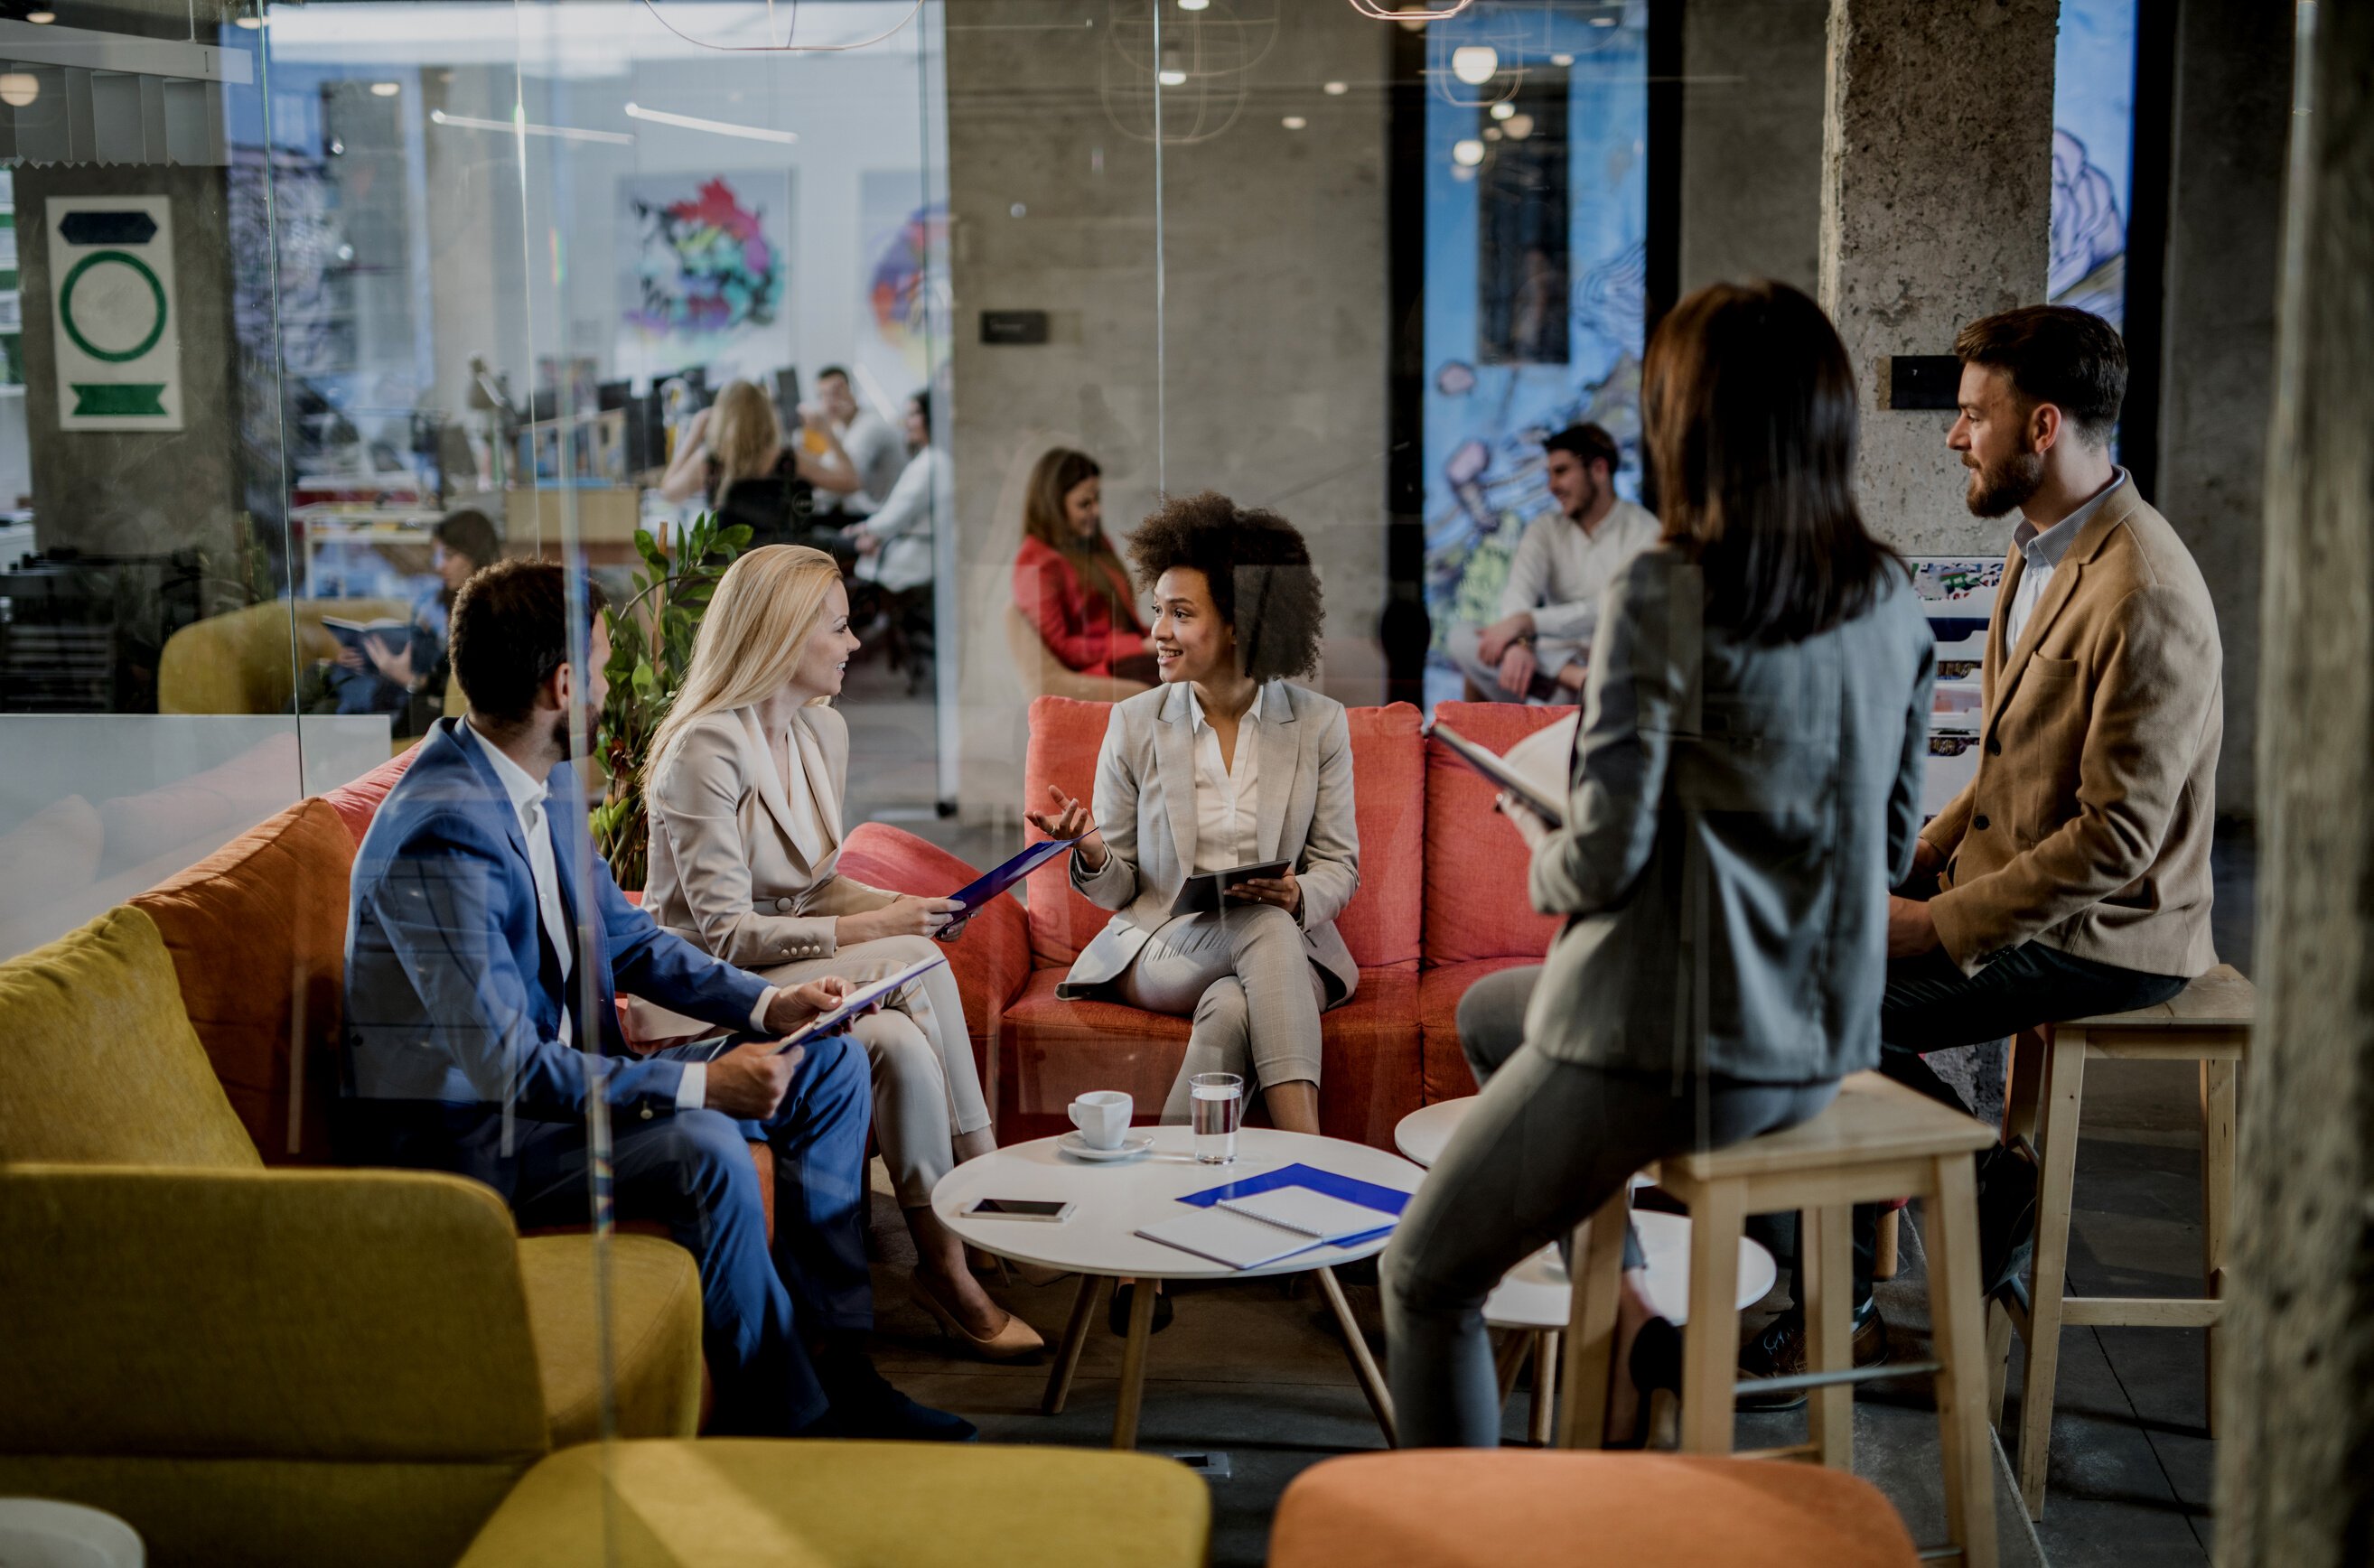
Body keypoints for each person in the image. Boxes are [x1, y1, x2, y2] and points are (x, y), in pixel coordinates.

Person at [1380, 280, 1935, 1449]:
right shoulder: (1892, 603)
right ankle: (1627, 1306)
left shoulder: (1668, 591)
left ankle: (1455, 1535)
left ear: (1691, 428)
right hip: (1821, 1042)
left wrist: (1542, 843)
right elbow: (1884, 854)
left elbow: (1602, 863)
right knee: (1493, 1014)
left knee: (1425, 1276)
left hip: (1671, 1046)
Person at [338, 558, 973, 1442]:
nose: (609, 682)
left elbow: (630, 942)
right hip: (484, 1139)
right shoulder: (442, 830)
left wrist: (765, 1007)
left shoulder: (537, 783)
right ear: (563, 684)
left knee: (825, 1060)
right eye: (598, 665)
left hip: (567, 1092)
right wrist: (705, 1087)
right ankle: (792, 1416)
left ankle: (840, 1367)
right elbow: (504, 1065)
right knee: (707, 1140)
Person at [1739, 303, 2223, 1398]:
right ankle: (1980, 1173)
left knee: (1815, 1015)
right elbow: (2009, 762)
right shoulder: (2040, 549)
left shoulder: (2145, 591)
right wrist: (1914, 857)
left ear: (2042, 425)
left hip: (2117, 934)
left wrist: (1933, 922)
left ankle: (1847, 1299)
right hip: (2028, 891)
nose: (1955, 436)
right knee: (1784, 960)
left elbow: (2116, 841)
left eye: (1973, 415)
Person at [637, 544, 1039, 1361]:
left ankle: (945, 1268)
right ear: (784, 636)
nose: (856, 645)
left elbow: (813, 888)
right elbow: (724, 934)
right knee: (911, 965)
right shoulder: (702, 752)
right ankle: (988, 1179)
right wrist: (881, 933)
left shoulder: (823, 732)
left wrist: (902, 910)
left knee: (895, 1039)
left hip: (789, 968)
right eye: (841, 627)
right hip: (706, 998)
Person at [1028, 492, 1357, 1136]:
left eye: (1181, 614)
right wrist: (1091, 849)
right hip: (1161, 945)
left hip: (1288, 947)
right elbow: (1123, 886)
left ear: (1239, 623)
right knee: (1263, 928)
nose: (1158, 631)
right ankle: (1312, 1158)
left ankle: (1168, 1191)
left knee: (1235, 1002)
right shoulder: (1135, 723)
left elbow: (1340, 866)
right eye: (1158, 611)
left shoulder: (1319, 724)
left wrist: (1295, 895)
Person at [1447, 423, 1660, 703]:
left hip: (1612, 667)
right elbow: (1518, 593)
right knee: (1461, 637)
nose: (1551, 487)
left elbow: (1614, 609)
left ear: (1598, 469)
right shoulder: (1544, 529)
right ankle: (1569, 676)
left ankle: (1564, 684)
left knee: (1561, 696)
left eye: (1561, 471)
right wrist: (1519, 642)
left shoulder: (1646, 532)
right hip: (1546, 663)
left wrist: (1529, 622)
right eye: (1548, 474)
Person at [323, 507, 500, 734]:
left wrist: (406, 677)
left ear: (475, 555)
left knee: (326, 707)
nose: (439, 566)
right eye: (437, 555)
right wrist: (363, 655)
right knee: (321, 680)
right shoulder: (440, 601)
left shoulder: (488, 615)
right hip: (403, 692)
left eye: (448, 555)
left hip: (426, 711)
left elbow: (453, 694)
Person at [658, 378, 858, 555]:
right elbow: (850, 482)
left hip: (731, 572)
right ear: (765, 413)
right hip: (781, 567)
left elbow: (669, 493)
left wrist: (693, 435)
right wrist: (826, 431)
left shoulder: (711, 462)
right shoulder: (787, 458)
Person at [1012, 447, 1160, 684]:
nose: (1097, 511)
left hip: (1128, 659)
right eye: (1084, 503)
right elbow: (1060, 648)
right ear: (1053, 506)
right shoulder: (1037, 561)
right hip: (1100, 671)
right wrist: (1138, 646)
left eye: (1097, 499)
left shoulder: (1094, 544)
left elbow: (1122, 618)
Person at [843, 394, 943, 595]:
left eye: (915, 414)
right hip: (908, 545)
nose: (907, 422)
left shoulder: (932, 462)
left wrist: (865, 530)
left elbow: (896, 515)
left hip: (914, 559)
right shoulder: (930, 458)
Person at [809, 366, 907, 520]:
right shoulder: (841, 428)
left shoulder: (870, 427)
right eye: (822, 396)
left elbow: (846, 482)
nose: (829, 402)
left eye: (836, 393)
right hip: (862, 514)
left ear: (852, 392)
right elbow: (828, 468)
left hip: (877, 517)